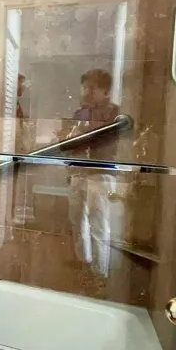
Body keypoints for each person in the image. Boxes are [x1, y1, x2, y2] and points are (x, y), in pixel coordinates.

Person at [66, 69, 119, 278]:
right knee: (76, 220)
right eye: (85, 87)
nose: (86, 92)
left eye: (92, 88)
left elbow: (109, 143)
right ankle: (83, 262)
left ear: (106, 92)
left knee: (98, 224)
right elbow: (71, 143)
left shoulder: (115, 113)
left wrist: (84, 132)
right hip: (78, 172)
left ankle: (100, 274)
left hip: (101, 173)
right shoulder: (80, 113)